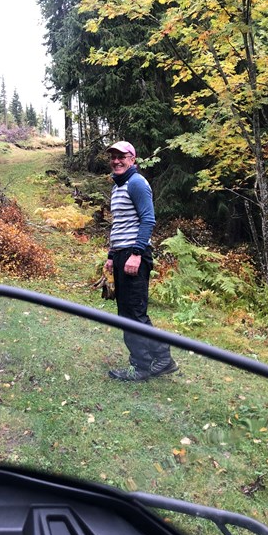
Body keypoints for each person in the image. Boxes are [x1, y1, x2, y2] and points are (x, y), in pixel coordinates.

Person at [103, 140, 177, 381]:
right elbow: (120, 226)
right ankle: (162, 359)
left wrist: (136, 254)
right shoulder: (117, 187)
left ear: (132, 159)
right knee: (129, 313)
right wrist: (112, 256)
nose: (116, 160)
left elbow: (148, 220)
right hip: (123, 254)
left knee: (133, 313)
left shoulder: (136, 183)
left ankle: (143, 365)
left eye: (122, 156)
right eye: (113, 156)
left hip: (136, 255)